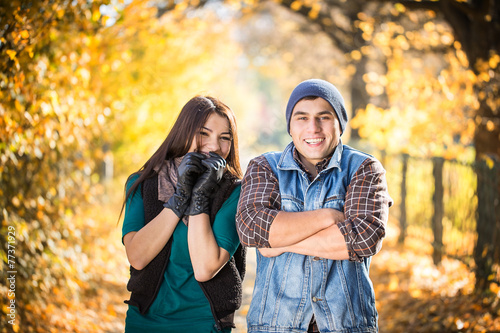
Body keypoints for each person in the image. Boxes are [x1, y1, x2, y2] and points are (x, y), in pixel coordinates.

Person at [236, 79, 393, 333]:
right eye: (302, 118)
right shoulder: (265, 167)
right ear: (289, 125)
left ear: (339, 123)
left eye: (324, 117)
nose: (313, 128)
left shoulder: (364, 169)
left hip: (347, 325)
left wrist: (278, 242)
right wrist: (328, 217)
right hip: (275, 325)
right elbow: (253, 230)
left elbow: (363, 239)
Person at [120, 95, 246, 332]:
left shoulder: (236, 192)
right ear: (184, 132)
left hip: (204, 323)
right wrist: (180, 197)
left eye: (225, 138)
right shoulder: (142, 183)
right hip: (144, 321)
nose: (214, 146)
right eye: (204, 134)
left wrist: (200, 196)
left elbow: (206, 268)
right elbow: (137, 256)